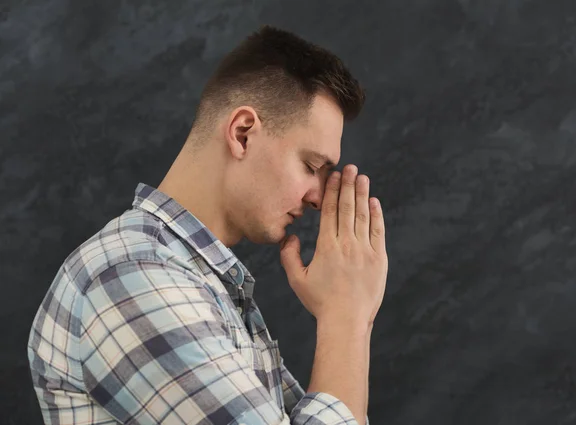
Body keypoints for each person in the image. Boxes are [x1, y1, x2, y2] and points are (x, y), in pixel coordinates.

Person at [27, 24, 388, 425]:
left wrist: (349, 316)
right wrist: (346, 316)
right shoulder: (131, 276)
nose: (319, 197)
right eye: (311, 166)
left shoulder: (198, 281)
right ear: (243, 133)